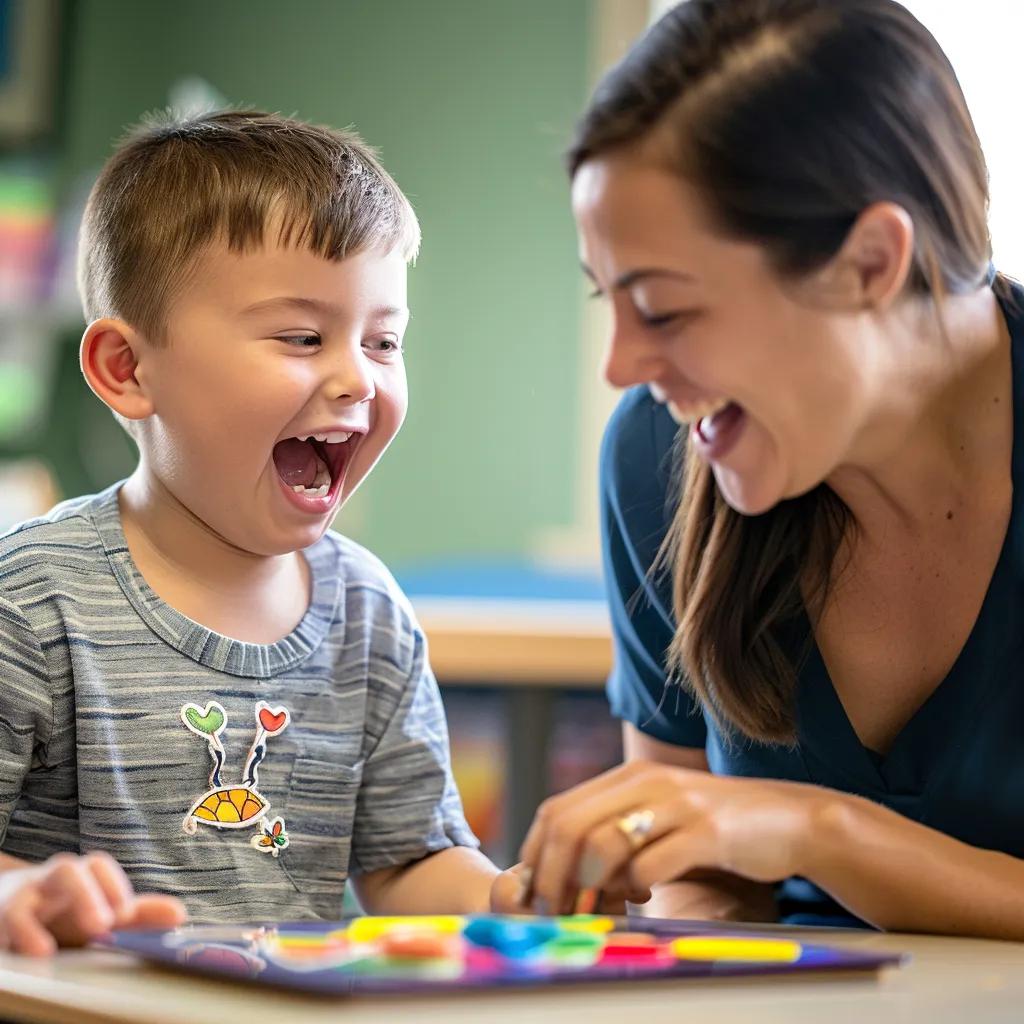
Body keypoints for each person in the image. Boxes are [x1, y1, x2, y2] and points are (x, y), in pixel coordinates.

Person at [518, 0, 1024, 938]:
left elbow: (782, 830)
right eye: (608, 301)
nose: (621, 367)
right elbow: (703, 881)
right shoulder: (656, 453)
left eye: (664, 309)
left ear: (869, 262)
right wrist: (660, 908)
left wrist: (816, 831)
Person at [0, 110, 520, 956]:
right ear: (126, 369)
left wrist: (521, 897)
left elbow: (410, 863)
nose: (359, 378)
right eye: (304, 337)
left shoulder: (369, 614)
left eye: (384, 341)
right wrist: (18, 894)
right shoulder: (30, 599)